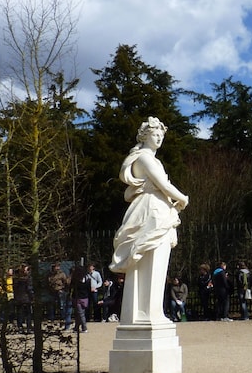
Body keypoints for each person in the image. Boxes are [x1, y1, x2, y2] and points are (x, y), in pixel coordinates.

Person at [109, 117, 189, 326]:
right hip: (151, 210)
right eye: (155, 134)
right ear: (145, 136)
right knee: (147, 262)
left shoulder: (154, 160)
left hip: (159, 209)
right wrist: (182, 197)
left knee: (157, 264)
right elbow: (163, 184)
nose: (159, 138)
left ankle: (151, 312)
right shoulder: (144, 158)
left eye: (161, 135)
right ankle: (145, 314)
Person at [68, 264, 91, 333]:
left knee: (80, 313)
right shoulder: (88, 279)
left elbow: (70, 288)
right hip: (85, 298)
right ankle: (76, 327)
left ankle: (84, 327)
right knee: (79, 313)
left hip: (77, 298)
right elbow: (89, 290)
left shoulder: (75, 280)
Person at [14, 264, 34, 334]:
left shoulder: (16, 279)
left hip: (18, 298)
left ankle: (20, 327)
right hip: (26, 298)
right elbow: (29, 289)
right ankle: (29, 327)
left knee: (19, 313)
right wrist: (32, 297)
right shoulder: (28, 279)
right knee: (28, 313)